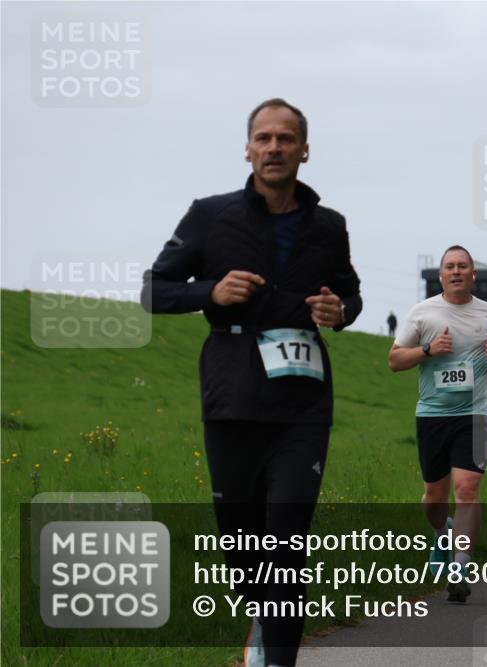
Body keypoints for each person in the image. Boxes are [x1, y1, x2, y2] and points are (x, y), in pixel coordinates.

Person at [143, 98, 362, 667]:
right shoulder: (210, 216)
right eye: (263, 138)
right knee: (244, 556)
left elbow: (351, 294)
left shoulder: (329, 226)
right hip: (234, 395)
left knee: (287, 543)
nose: (273, 148)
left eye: (285, 139)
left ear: (304, 150)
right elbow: (153, 290)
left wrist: (340, 311)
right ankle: (260, 614)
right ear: (247, 148)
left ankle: (276, 652)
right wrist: (208, 293)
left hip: (304, 403)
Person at [388, 245, 487, 603]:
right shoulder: (422, 314)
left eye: (463, 266)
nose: (456, 271)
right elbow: (394, 361)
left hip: (474, 414)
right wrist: (428, 351)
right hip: (432, 415)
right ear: (441, 275)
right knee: (433, 498)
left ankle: (460, 566)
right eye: (450, 267)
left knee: (468, 489)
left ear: (473, 274)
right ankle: (443, 533)